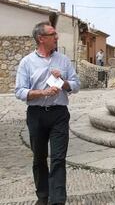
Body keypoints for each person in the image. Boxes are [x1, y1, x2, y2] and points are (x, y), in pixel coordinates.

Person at [15, 21, 80, 205]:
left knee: (58, 158)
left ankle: (57, 201)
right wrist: (42, 93)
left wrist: (64, 82)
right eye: (53, 34)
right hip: (36, 115)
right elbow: (19, 91)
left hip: (59, 113)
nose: (57, 37)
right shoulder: (27, 62)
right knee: (39, 158)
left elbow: (76, 85)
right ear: (41, 38)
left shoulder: (64, 60)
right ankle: (43, 197)